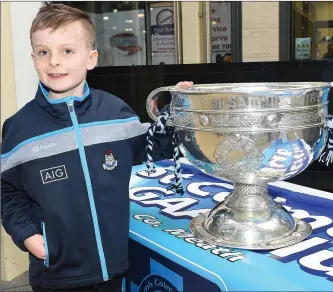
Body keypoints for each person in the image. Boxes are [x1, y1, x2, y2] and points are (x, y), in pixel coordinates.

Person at [0, 3, 192, 292]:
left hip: (113, 268)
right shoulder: (19, 128)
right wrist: (26, 235)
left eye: (67, 50)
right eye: (44, 52)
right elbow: (7, 190)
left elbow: (149, 154)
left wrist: (172, 118)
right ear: (33, 59)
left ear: (91, 58)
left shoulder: (116, 111)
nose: (54, 61)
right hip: (56, 275)